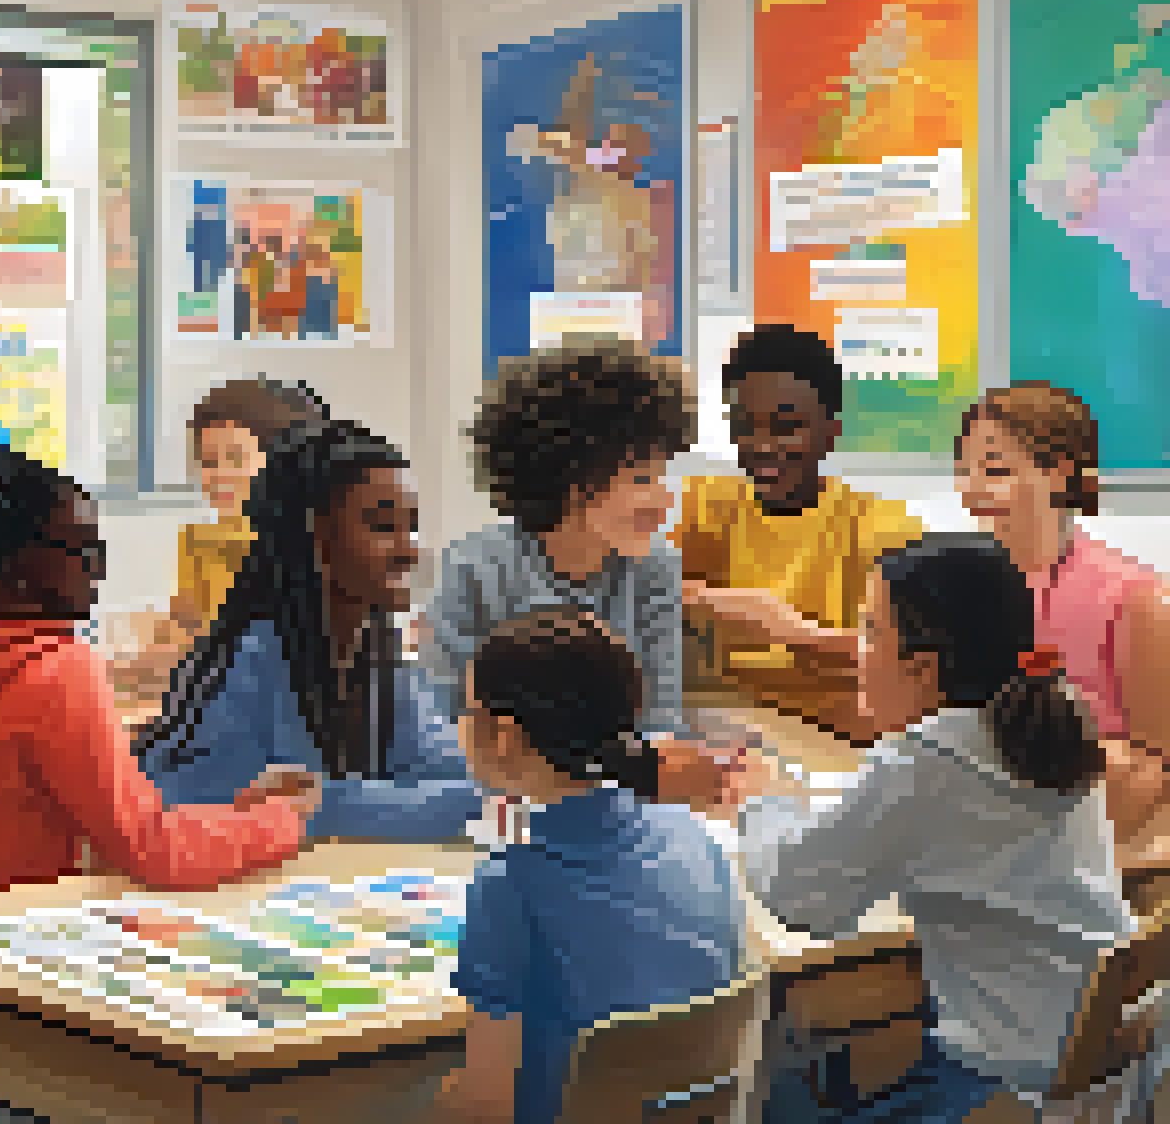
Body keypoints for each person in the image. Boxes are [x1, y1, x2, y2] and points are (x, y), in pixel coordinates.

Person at [721, 534, 1132, 1121]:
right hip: (1095, 1072)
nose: (858, 650)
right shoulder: (1053, 713)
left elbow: (800, 899)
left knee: (780, 1072)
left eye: (869, 631)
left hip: (1002, 1085)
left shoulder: (927, 761)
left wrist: (759, 801)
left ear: (921, 666)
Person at [0, 444, 320, 899]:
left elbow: (98, 831)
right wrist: (286, 817)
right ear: (17, 569)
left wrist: (242, 816)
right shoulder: (57, 671)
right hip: (17, 930)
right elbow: (157, 852)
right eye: (79, 548)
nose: (98, 565)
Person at [436, 607, 746, 1124]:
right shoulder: (691, 833)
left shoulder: (509, 885)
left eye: (468, 709)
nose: (460, 723)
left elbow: (484, 1107)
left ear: (507, 738)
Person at [139, 422, 484, 842]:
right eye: (381, 527)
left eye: (410, 526)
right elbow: (190, 818)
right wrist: (375, 807)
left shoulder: (381, 667)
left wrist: (323, 802)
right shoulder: (242, 670)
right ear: (314, 539)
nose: (409, 550)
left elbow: (473, 796)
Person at [423, 337, 727, 806]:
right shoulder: (475, 568)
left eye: (664, 475)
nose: (664, 499)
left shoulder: (655, 567)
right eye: (641, 479)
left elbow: (660, 716)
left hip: (616, 809)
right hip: (495, 803)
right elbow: (446, 721)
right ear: (568, 477)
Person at [954, 382, 1170, 869]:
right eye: (964, 469)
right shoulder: (964, 589)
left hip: (1096, 855)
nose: (972, 488)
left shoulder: (1139, 599)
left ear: (1059, 473)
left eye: (994, 470)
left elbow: (1154, 774)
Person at [677, 323, 925, 742]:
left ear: (832, 432)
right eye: (743, 426)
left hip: (836, 746)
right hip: (716, 734)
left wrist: (787, 630)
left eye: (786, 426)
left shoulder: (881, 526)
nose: (761, 446)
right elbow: (641, 591)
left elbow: (911, 661)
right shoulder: (703, 505)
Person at [115, 377, 329, 702]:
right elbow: (181, 629)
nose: (215, 476)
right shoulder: (203, 541)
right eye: (208, 462)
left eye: (235, 459)